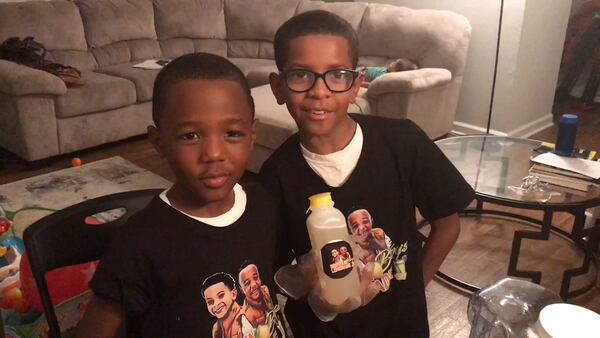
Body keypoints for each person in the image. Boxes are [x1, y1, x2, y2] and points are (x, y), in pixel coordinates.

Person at [259, 10, 474, 338]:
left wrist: (414, 287)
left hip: (400, 325)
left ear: (356, 84)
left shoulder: (403, 142)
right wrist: (313, 292)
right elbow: (280, 271)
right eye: (301, 75)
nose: (320, 91)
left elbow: (448, 224)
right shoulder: (275, 175)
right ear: (278, 87)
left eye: (337, 75)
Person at [76, 53, 284, 338]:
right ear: (159, 143)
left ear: (252, 135)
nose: (213, 154)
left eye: (232, 133)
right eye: (190, 136)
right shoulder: (140, 242)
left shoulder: (263, 205)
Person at [202, 272, 243, 338]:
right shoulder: (216, 328)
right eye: (210, 302)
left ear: (234, 294)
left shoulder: (248, 318)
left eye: (221, 296)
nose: (216, 304)